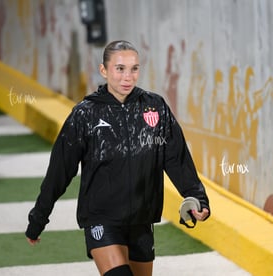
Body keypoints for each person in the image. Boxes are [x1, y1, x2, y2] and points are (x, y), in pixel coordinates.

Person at [25, 40, 210, 276]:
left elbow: (176, 158)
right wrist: (38, 218)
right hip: (101, 218)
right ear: (104, 70)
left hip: (142, 220)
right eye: (120, 68)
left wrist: (197, 198)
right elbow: (59, 171)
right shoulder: (85, 114)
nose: (128, 77)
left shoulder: (155, 107)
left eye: (134, 68)